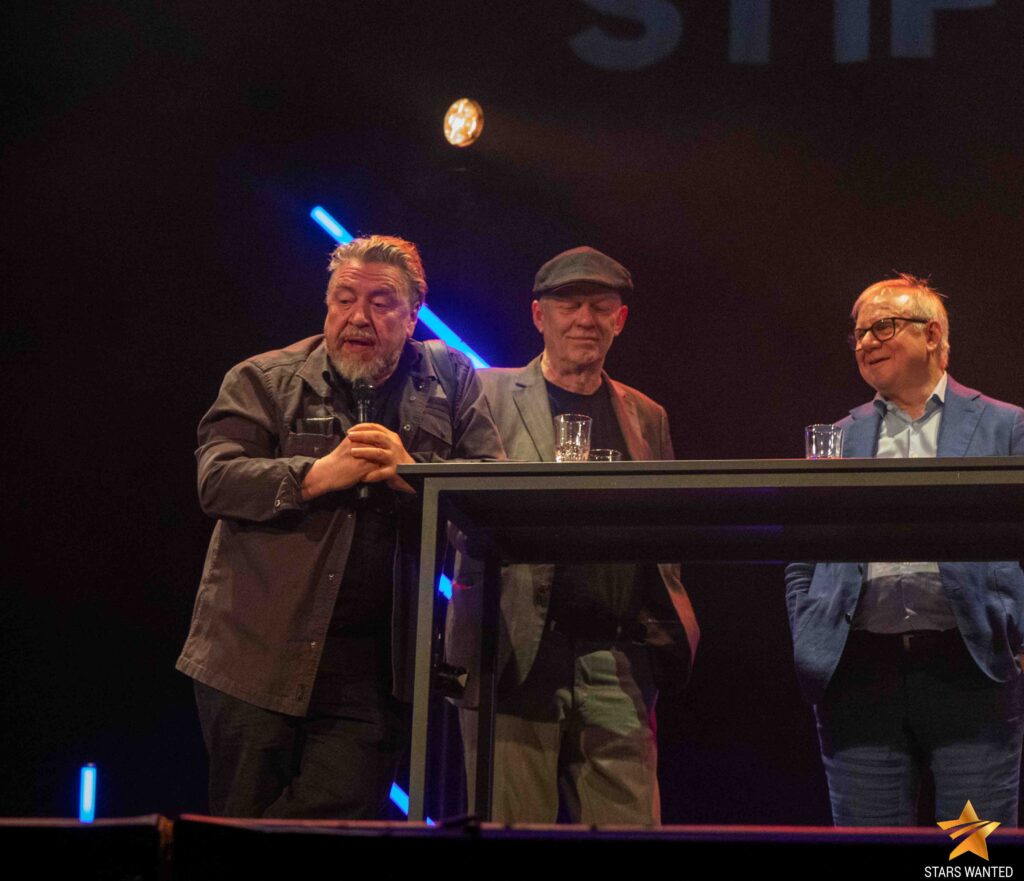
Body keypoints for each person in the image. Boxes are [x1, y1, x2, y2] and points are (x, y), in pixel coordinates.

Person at [177, 235, 504, 818]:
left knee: (338, 819)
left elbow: (492, 493)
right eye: (345, 298)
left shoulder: (451, 379)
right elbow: (217, 480)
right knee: (242, 825)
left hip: (377, 668)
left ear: (413, 314)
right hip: (256, 655)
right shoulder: (264, 378)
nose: (359, 317)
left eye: (381, 302)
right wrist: (315, 475)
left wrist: (413, 473)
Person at [446, 246, 700, 824]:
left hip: (618, 658)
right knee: (512, 835)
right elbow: (455, 511)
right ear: (539, 315)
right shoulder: (486, 393)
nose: (585, 319)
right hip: (515, 653)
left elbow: (665, 534)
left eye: (600, 306)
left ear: (620, 319)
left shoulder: (647, 414)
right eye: (569, 304)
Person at [785, 274, 1024, 826]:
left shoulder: (1005, 426)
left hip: (972, 671)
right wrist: (808, 628)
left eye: (883, 327)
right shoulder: (837, 437)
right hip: (859, 675)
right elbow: (802, 552)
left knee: (973, 856)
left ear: (932, 334)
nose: (866, 342)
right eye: (859, 333)